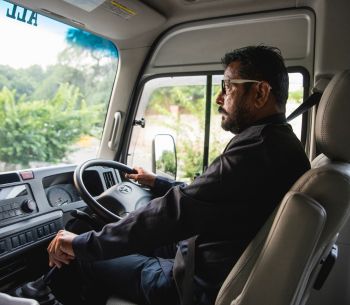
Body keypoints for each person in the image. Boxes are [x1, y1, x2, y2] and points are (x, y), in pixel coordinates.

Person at [47, 45, 311, 305]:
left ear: (260, 92)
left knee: (82, 260)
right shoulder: (279, 144)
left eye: (228, 87)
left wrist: (83, 245)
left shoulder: (257, 150)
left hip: (190, 283)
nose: (219, 98)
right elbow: (209, 197)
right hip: (208, 255)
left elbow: (174, 211)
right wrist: (158, 182)